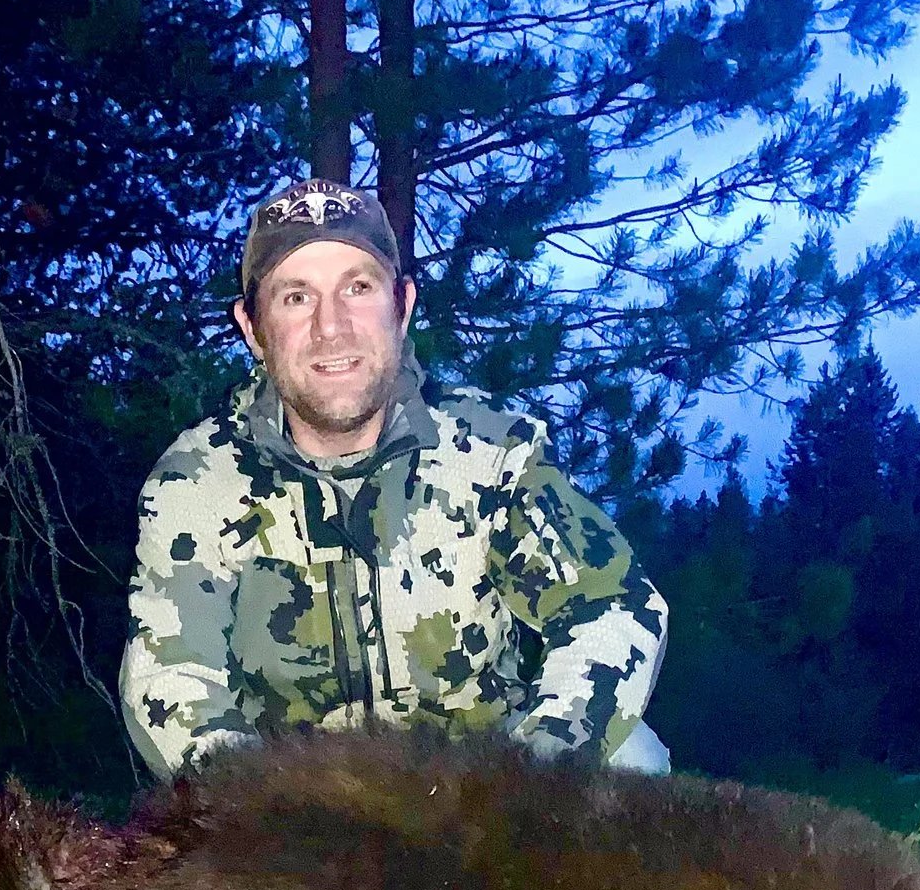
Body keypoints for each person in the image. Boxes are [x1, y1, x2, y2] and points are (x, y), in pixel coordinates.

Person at [118, 178, 671, 781]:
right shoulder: (197, 482)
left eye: (357, 288)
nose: (332, 328)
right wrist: (267, 811)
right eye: (296, 297)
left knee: (633, 760)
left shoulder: (493, 453)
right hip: (295, 800)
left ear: (401, 306)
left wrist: (535, 771)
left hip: (481, 786)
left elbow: (610, 602)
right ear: (253, 328)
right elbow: (170, 671)